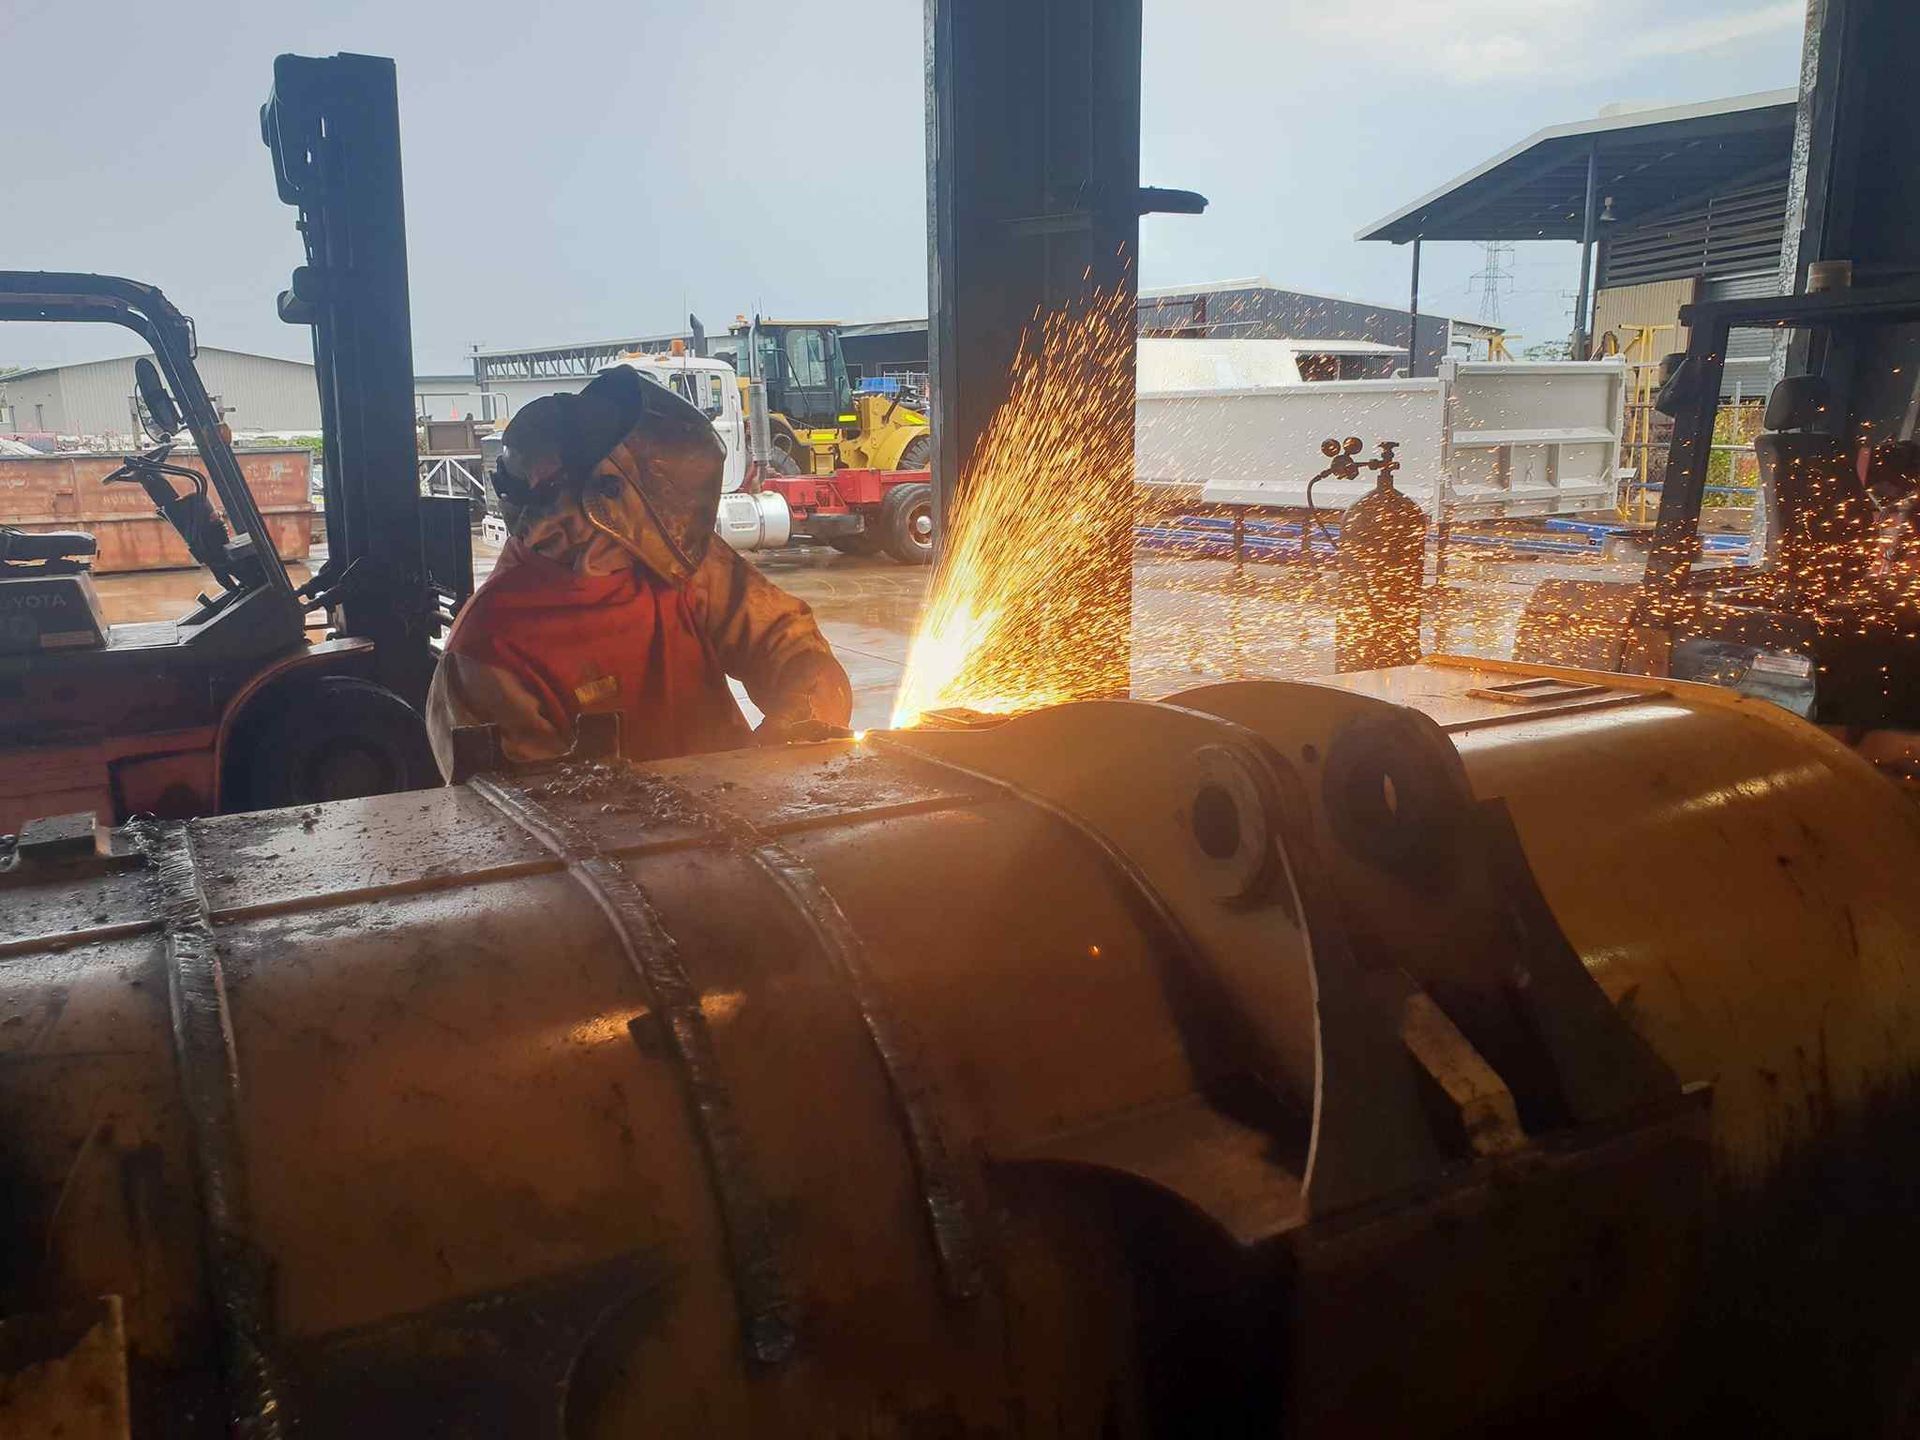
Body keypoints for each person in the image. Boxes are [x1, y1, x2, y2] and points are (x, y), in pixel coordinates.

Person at [427, 364, 852, 775]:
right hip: (618, 844)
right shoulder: (487, 655)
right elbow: (533, 825)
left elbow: (784, 640)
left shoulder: (673, 559)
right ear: (600, 502)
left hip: (738, 814)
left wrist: (799, 721)